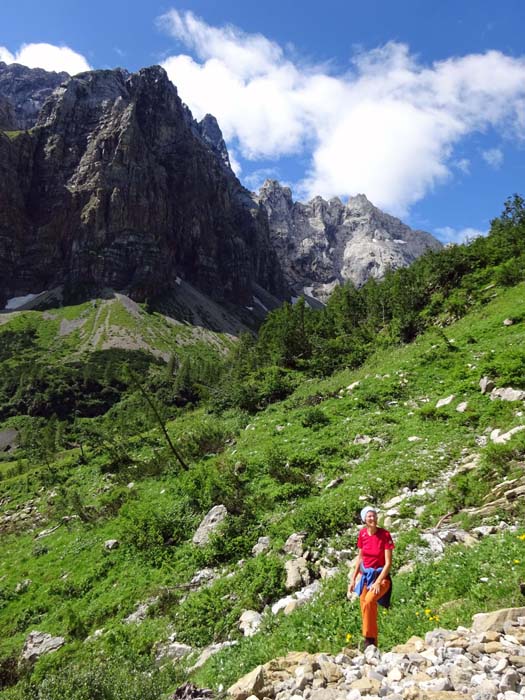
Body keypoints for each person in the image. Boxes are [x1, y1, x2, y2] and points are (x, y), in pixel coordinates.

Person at [347, 506, 394, 649]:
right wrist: (353, 579)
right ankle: (372, 642)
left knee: (369, 601)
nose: (372, 518)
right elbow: (360, 558)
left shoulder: (385, 535)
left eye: (374, 515)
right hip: (366, 578)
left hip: (381, 577)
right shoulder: (362, 534)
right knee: (364, 606)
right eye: (369, 516)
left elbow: (388, 563)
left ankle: (369, 642)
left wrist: (378, 581)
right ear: (364, 519)